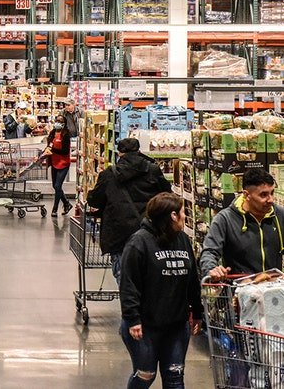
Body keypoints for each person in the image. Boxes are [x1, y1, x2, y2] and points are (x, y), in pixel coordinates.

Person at [119, 192, 203, 389]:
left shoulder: (183, 239)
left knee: (175, 377)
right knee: (145, 375)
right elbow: (128, 284)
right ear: (173, 215)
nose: (185, 216)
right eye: (183, 212)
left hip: (176, 325)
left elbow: (192, 279)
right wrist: (133, 319)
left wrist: (197, 312)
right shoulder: (139, 242)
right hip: (145, 325)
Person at [87, 138, 172, 284]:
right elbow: (166, 195)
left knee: (125, 279)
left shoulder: (108, 174)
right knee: (149, 276)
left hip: (119, 234)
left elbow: (94, 201)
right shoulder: (153, 170)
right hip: (148, 230)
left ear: (119, 153)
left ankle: (129, 297)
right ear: (138, 151)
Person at [199, 168, 284, 281]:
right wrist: (212, 269)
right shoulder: (225, 219)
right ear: (246, 195)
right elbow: (209, 252)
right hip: (240, 289)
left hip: (274, 289)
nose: (271, 200)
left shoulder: (279, 215)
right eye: (263, 195)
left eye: (272, 193)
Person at [44, 114, 72, 218]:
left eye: (60, 122)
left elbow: (65, 151)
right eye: (56, 121)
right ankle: (66, 203)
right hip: (54, 162)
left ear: (64, 124)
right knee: (54, 186)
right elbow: (49, 145)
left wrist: (53, 150)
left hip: (64, 163)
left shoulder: (66, 135)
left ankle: (55, 209)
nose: (57, 123)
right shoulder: (52, 133)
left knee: (57, 186)